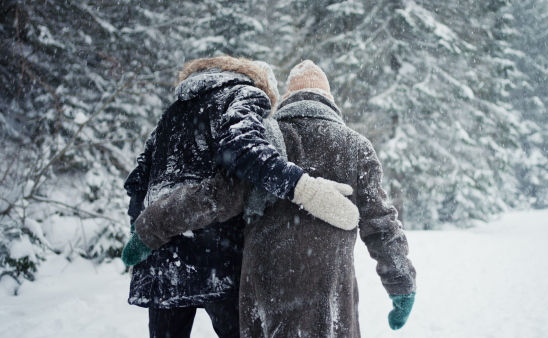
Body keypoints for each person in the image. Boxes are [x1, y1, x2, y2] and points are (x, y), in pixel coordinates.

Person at [126, 60, 417, 337]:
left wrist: (150, 227)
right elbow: (381, 224)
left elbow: (212, 197)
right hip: (329, 289)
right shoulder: (356, 147)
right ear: (329, 100)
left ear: (288, 98)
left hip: (266, 286)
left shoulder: (267, 138)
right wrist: (401, 284)